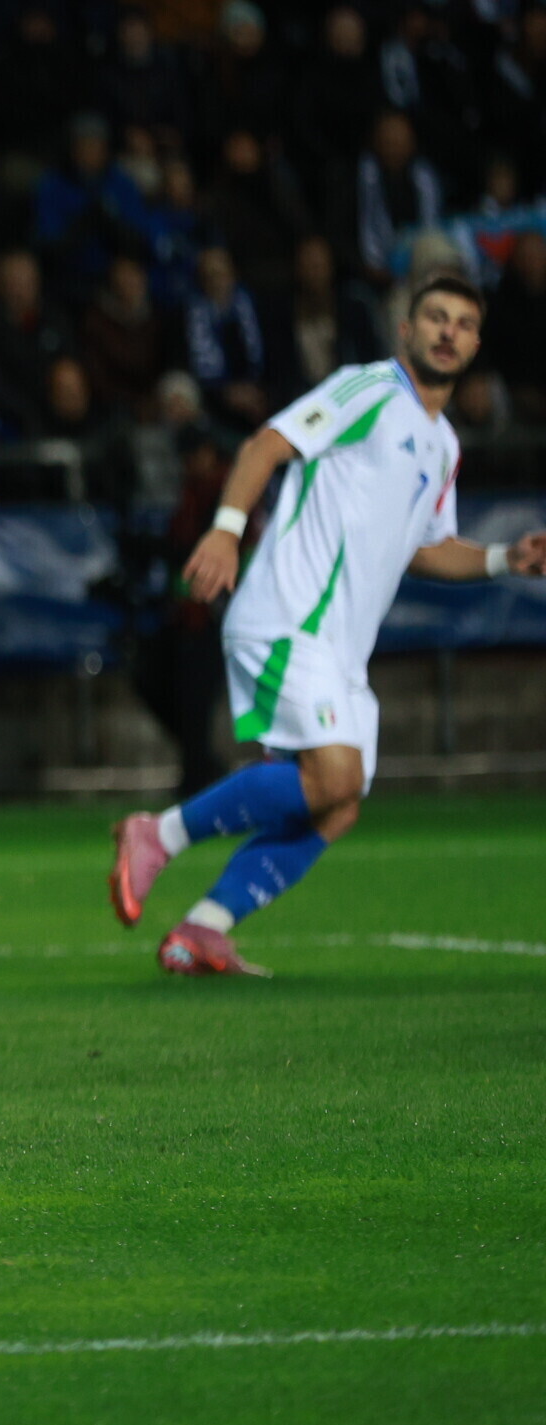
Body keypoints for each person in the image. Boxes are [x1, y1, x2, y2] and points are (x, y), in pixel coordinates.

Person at [108, 275, 546, 974]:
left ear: (475, 345)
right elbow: (265, 444)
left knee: (338, 805)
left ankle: (203, 929)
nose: (448, 332)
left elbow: (425, 546)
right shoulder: (369, 390)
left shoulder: (443, 445)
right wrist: (225, 530)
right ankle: (158, 834)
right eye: (437, 317)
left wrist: (502, 559)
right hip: (289, 613)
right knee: (334, 777)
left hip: (341, 651)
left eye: (464, 324)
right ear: (407, 329)